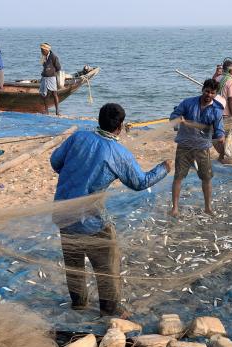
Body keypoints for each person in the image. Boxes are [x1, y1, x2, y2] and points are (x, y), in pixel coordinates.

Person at [50, 103, 171, 317]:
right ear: (121, 126)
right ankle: (110, 308)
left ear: (99, 120)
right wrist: (164, 168)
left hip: (63, 212)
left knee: (74, 264)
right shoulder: (118, 153)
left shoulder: (79, 137)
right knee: (106, 264)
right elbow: (139, 183)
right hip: (91, 220)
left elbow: (55, 162)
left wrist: (77, 170)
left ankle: (79, 304)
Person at [169, 78, 225, 217]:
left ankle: (208, 208)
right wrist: (178, 119)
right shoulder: (188, 102)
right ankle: (175, 208)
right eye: (207, 91)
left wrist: (220, 137)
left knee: (206, 178)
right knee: (178, 177)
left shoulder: (217, 110)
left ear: (215, 94)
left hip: (202, 147)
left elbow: (219, 129)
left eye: (212, 93)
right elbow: (173, 116)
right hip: (184, 145)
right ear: (202, 90)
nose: (209, 95)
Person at [39, 43, 61, 116]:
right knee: (44, 95)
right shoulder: (44, 57)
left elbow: (58, 68)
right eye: (41, 50)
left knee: (54, 94)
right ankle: (47, 111)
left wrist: (51, 71)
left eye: (42, 50)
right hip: (45, 78)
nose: (41, 51)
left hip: (51, 78)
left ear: (46, 50)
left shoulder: (53, 57)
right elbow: (44, 66)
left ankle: (57, 111)